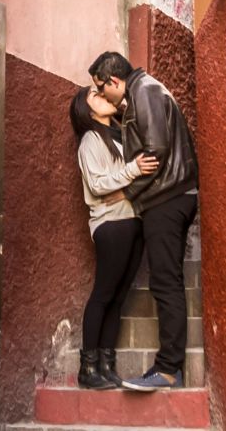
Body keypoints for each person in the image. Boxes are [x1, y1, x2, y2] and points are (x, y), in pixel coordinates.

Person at [88, 51, 199, 391]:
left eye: (101, 88)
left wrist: (128, 193)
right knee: (167, 281)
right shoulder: (141, 92)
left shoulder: (145, 91)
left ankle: (167, 369)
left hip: (166, 199)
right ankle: (168, 368)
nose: (103, 95)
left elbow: (155, 152)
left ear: (114, 80)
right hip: (169, 197)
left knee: (165, 283)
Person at [69, 85, 160, 389]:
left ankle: (106, 367)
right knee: (103, 295)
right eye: (95, 95)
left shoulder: (119, 135)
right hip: (111, 225)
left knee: (119, 297)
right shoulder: (90, 141)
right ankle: (88, 369)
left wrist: (127, 187)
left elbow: (128, 185)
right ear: (87, 110)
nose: (102, 96)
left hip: (133, 221)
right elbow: (97, 185)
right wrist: (133, 171)